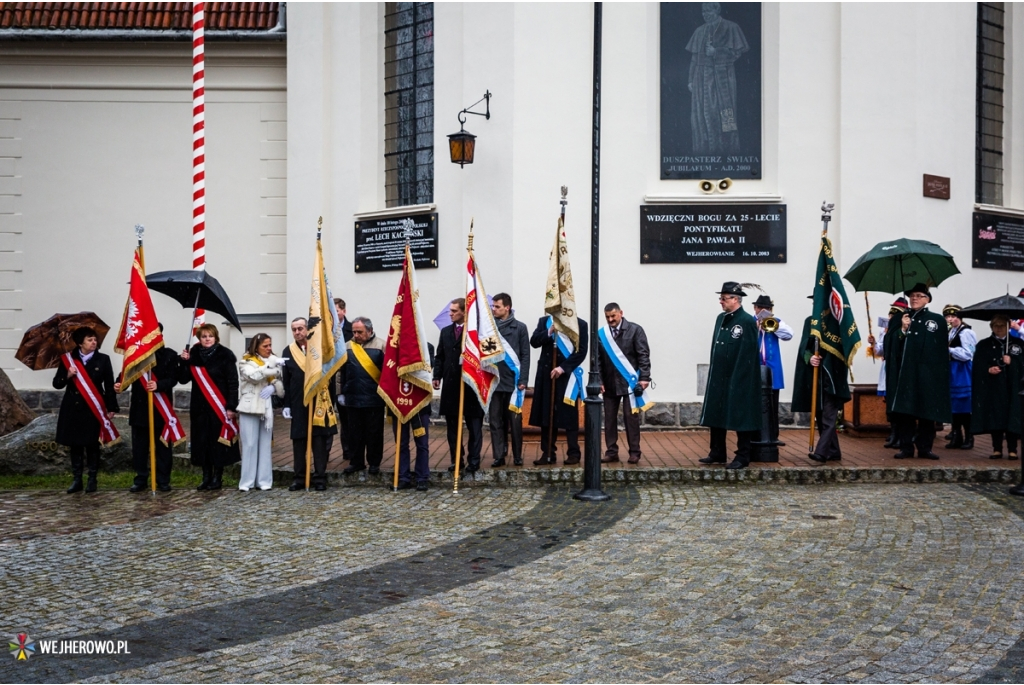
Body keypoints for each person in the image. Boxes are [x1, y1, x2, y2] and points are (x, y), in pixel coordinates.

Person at [699, 282, 760, 469]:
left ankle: (743, 455)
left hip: (739, 377)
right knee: (716, 412)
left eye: (724, 298)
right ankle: (717, 451)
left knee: (742, 416)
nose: (721, 302)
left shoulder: (746, 321)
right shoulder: (721, 318)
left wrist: (740, 378)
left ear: (735, 299)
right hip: (720, 376)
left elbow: (748, 353)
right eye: (721, 298)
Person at [886, 283, 950, 460]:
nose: (914, 298)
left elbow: (940, 350)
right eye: (912, 295)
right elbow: (890, 345)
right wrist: (903, 330)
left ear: (927, 299)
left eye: (919, 295)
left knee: (926, 412)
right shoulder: (900, 318)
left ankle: (925, 448)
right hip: (905, 374)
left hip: (928, 375)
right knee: (905, 412)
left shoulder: (936, 320)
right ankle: (906, 447)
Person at [53, 326, 119, 493]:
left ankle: (92, 479)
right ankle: (77, 480)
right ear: (80, 343)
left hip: (93, 407)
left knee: (92, 444)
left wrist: (112, 407)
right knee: (75, 445)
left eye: (95, 339)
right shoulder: (68, 360)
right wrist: (67, 375)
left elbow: (109, 385)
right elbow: (57, 384)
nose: (94, 342)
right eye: (89, 340)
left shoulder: (103, 359)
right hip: (73, 408)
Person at [114, 324, 179, 493]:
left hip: (161, 409)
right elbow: (124, 375)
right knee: (140, 449)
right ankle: (141, 478)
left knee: (163, 448)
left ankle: (163, 480)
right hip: (140, 410)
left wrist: (158, 384)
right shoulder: (135, 355)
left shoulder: (169, 355)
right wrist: (119, 384)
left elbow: (173, 379)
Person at [178, 323, 240, 490]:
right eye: (204, 336)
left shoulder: (225, 355)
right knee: (202, 442)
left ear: (216, 337)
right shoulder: (194, 355)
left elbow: (233, 383)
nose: (207, 339)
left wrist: (231, 407)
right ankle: (206, 477)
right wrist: (184, 362)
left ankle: (217, 478)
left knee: (217, 442)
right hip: (199, 408)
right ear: (199, 338)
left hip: (219, 407)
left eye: (210, 336)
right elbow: (183, 379)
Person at [685, 2, 750, 155]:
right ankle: (703, 152)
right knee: (701, 115)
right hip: (700, 79)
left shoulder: (731, 27)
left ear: (717, 10)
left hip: (722, 79)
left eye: (709, 11)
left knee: (725, 115)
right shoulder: (699, 31)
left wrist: (717, 52)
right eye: (703, 11)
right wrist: (690, 80)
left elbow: (737, 53)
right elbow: (694, 59)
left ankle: (727, 152)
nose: (705, 14)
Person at [281, 317, 337, 491]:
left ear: (307, 329)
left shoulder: (318, 349)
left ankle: (319, 477)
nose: (297, 332)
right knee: (299, 442)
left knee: (319, 442)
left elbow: (331, 377)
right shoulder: (288, 351)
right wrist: (287, 404)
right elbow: (286, 380)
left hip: (319, 401)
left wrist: (331, 402)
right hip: (298, 403)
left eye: (300, 328)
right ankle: (299, 477)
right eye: (294, 329)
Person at [791, 315, 851, 463]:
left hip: (832, 377)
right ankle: (834, 451)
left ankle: (821, 452)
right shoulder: (810, 321)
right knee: (819, 414)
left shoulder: (839, 322)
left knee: (828, 417)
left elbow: (845, 346)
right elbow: (804, 345)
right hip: (815, 377)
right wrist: (809, 357)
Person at [530, 314, 589, 465]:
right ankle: (548, 452)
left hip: (567, 375)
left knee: (569, 414)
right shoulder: (545, 321)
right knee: (546, 413)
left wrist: (563, 368)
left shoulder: (580, 324)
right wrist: (549, 331)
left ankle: (573, 453)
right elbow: (534, 342)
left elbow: (581, 351)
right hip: (547, 374)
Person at [433, 298, 484, 473]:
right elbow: (440, 356)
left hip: (471, 385)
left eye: (455, 311)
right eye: (450, 311)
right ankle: (456, 459)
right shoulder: (446, 331)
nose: (451, 314)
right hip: (451, 384)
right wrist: (437, 375)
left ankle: (474, 459)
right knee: (453, 427)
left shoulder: (474, 333)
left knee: (474, 425)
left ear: (464, 312)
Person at [597, 303, 651, 464]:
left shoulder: (635, 330)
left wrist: (645, 377)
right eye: (607, 317)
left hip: (630, 384)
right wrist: (598, 380)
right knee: (609, 419)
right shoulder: (602, 334)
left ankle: (635, 452)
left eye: (613, 316)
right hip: (609, 382)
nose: (610, 319)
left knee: (631, 418)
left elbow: (643, 355)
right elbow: (597, 360)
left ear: (621, 313)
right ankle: (611, 451)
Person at [236, 333, 285, 491]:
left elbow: (280, 379)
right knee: (249, 444)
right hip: (249, 407)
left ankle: (264, 481)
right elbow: (254, 376)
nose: (269, 349)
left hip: (265, 406)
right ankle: (246, 482)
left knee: (265, 445)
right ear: (256, 347)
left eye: (270, 345)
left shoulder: (272, 360)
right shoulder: (246, 361)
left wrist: (275, 386)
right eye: (265, 346)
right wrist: (271, 368)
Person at [972, 316, 1022, 459]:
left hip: (1012, 387)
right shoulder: (984, 344)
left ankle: (1013, 449)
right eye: (996, 325)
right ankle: (997, 448)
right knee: (996, 417)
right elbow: (978, 366)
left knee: (1012, 416)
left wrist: (1012, 362)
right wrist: (988, 369)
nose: (999, 328)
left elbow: (1022, 364)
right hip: (994, 387)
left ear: (1008, 326)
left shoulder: (1018, 344)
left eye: (1002, 325)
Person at [341, 316, 386, 476]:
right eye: (354, 332)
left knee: (374, 433)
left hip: (374, 399)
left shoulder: (381, 345)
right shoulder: (347, 347)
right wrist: (341, 393)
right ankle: (356, 462)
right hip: (352, 398)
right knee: (354, 433)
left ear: (370, 330)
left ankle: (374, 463)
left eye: (359, 332)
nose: (356, 335)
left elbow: (387, 373)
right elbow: (341, 373)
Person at [490, 293, 530, 467]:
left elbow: (525, 355)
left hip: (513, 382)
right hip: (494, 380)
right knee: (495, 420)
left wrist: (523, 379)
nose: (494, 309)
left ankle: (517, 455)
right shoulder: (489, 328)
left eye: (497, 306)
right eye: (493, 306)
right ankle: (499, 454)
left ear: (507, 307)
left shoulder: (520, 328)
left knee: (514, 421)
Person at [752, 294, 793, 444]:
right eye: (761, 308)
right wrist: (755, 328)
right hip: (754, 368)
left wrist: (773, 326)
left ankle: (773, 436)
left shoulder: (776, 322)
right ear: (755, 308)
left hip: (773, 369)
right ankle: (755, 436)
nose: (764, 310)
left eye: (767, 308)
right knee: (754, 404)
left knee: (773, 403)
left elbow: (789, 335)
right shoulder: (749, 322)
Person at [869, 297, 909, 448]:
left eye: (893, 315)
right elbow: (881, 351)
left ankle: (901, 434)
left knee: (898, 402)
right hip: (887, 368)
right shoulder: (885, 331)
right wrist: (874, 344)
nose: (890, 318)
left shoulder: (906, 329)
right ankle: (893, 432)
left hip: (899, 368)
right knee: (889, 401)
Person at [944, 304, 977, 450]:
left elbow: (968, 354)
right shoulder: (951, 331)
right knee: (954, 407)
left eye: (954, 316)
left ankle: (969, 437)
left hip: (962, 370)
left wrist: (950, 350)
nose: (951, 319)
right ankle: (957, 436)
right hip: (952, 369)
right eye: (948, 316)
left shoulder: (966, 332)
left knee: (963, 405)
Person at [333, 297, 354, 463]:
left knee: (347, 419)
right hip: (328, 381)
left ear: (343, 311)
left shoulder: (352, 329)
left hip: (346, 380)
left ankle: (349, 450)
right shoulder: (324, 330)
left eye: (336, 311)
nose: (334, 314)